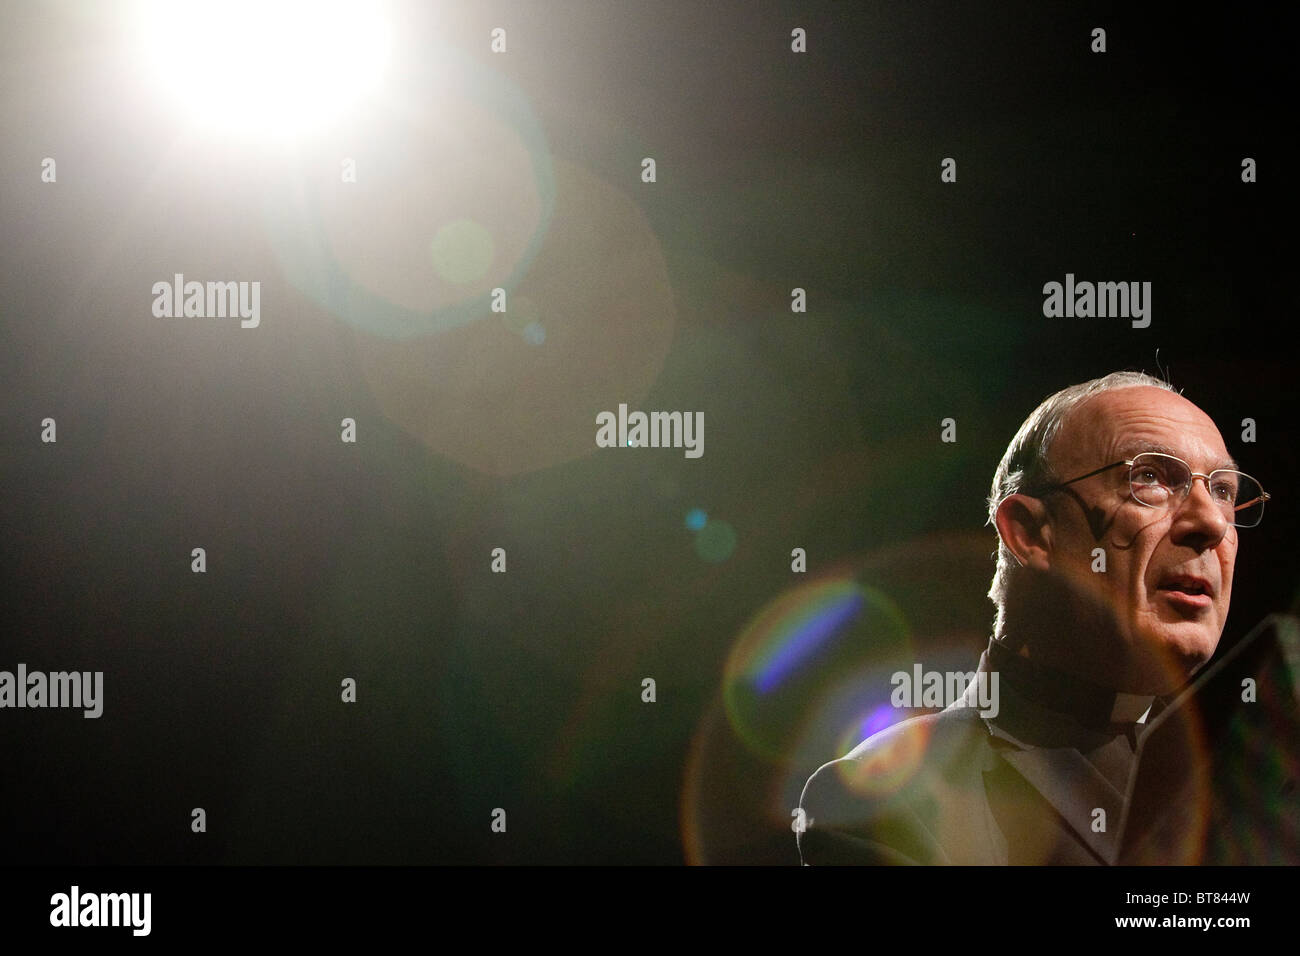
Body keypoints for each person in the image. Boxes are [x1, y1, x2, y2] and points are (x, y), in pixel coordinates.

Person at [796, 371, 1271, 864]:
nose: (1212, 523)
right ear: (1028, 532)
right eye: (1147, 477)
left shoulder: (1256, 788)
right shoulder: (886, 799)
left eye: (1223, 491)